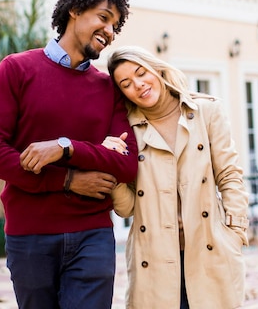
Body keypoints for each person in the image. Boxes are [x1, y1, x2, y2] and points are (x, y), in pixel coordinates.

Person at [0, 0, 138, 309]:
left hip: (93, 233)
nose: (109, 31)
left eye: (115, 27)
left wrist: (67, 147)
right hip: (30, 234)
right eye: (104, 18)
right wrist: (68, 179)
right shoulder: (16, 70)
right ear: (74, 11)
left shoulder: (109, 89)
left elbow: (125, 162)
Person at [104, 45, 250, 309]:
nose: (138, 85)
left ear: (156, 69)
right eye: (126, 83)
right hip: (154, 259)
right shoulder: (127, 130)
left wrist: (235, 232)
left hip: (210, 250)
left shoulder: (206, 112)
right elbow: (126, 210)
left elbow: (229, 175)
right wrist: (110, 166)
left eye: (141, 73)